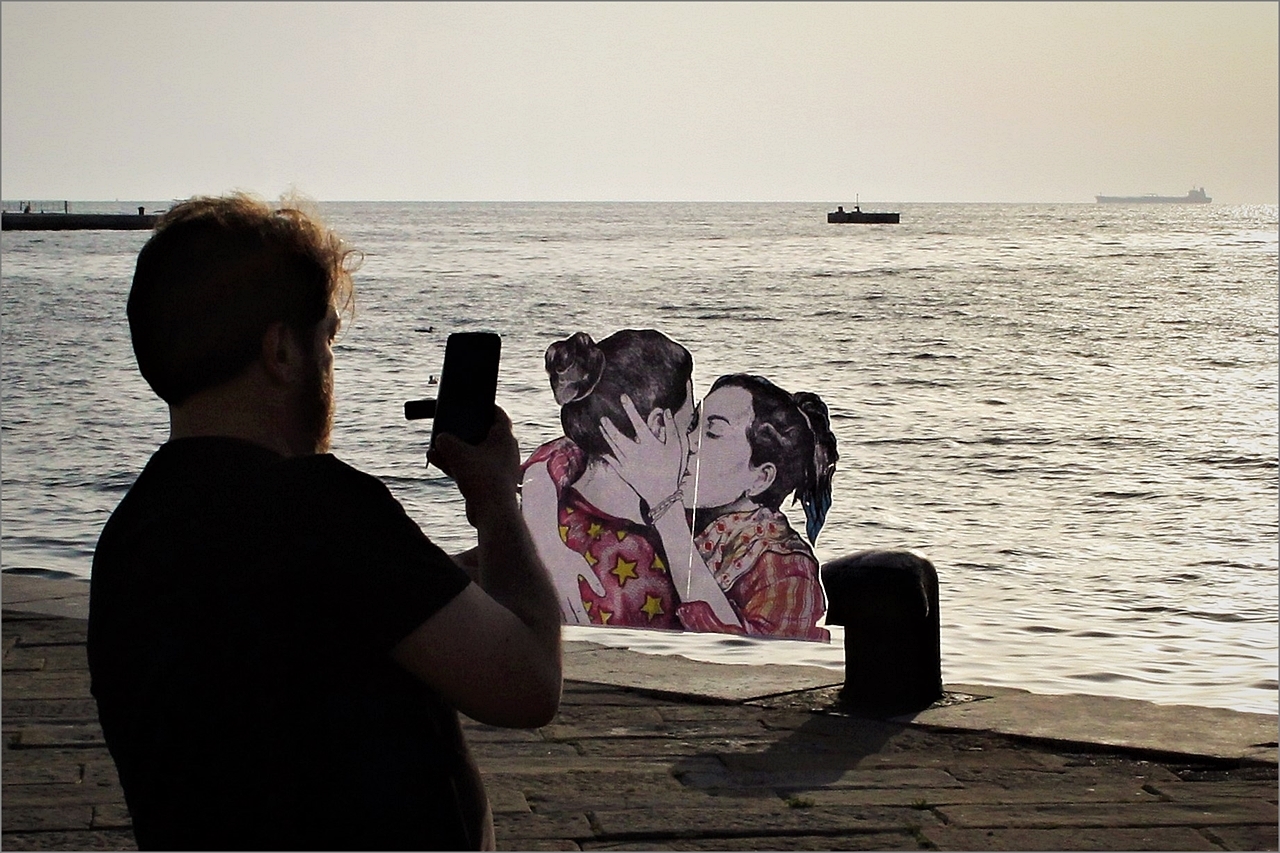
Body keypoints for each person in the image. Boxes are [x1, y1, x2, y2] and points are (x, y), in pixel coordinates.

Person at [87, 192, 562, 851]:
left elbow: (286, 636)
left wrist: (436, 581)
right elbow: (530, 683)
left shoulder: (131, 536)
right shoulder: (324, 508)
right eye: (328, 339)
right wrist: (495, 498)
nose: (331, 365)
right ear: (282, 350)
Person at [601, 373, 837, 641]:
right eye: (692, 426)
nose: (688, 443)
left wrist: (665, 508)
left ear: (761, 478)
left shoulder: (787, 570)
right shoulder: (673, 520)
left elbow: (753, 656)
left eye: (712, 433)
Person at [520, 329, 695, 629]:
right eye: (690, 425)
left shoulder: (559, 502)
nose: (695, 442)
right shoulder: (638, 551)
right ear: (658, 426)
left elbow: (560, 453)